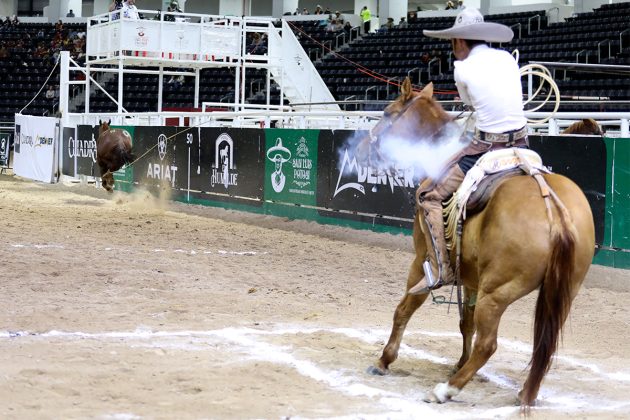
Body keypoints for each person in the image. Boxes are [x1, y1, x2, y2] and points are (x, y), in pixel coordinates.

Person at [408, 7, 527, 295]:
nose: (453, 49)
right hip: (523, 144)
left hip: (487, 146)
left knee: (427, 195)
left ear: (460, 41)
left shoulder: (462, 69)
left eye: (453, 44)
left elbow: (470, 104)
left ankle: (440, 269)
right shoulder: (508, 59)